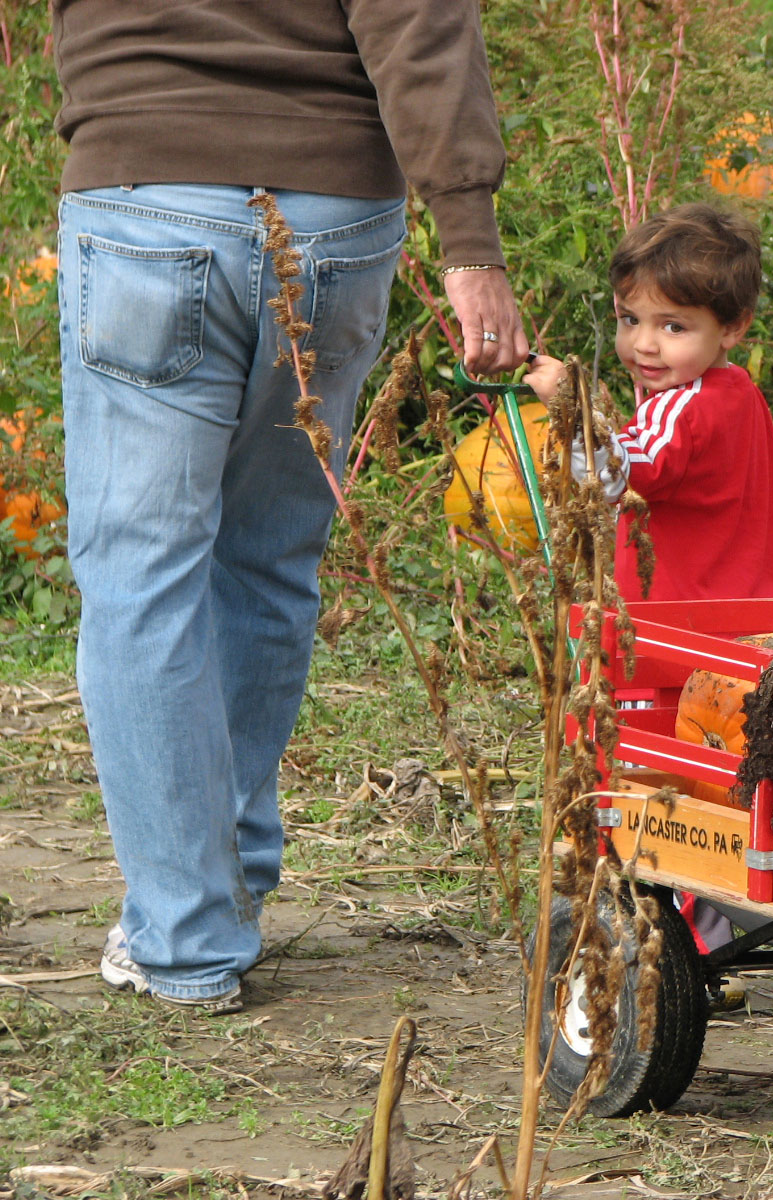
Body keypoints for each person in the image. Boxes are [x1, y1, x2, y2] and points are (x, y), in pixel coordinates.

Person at [52, 0, 529, 1013]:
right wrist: (469, 241)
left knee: (143, 571)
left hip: (145, 186)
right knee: (268, 557)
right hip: (335, 213)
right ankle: (224, 886)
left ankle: (185, 938)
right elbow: (418, 18)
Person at [526, 203, 773, 958]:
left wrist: (571, 408)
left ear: (731, 329)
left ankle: (684, 937)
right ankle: (707, 920)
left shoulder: (689, 410)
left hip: (682, 639)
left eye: (674, 327)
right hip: (732, 631)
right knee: (705, 778)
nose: (644, 343)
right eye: (630, 319)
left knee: (658, 786)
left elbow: (619, 472)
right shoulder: (728, 396)